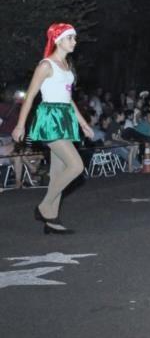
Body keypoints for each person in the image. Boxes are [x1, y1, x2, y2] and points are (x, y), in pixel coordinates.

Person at [12, 23, 94, 234]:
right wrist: (21, 125)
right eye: (71, 38)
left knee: (58, 171)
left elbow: (68, 99)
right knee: (76, 166)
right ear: (58, 40)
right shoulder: (46, 65)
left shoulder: (66, 65)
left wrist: (83, 123)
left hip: (65, 116)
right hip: (49, 118)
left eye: (74, 38)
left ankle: (51, 221)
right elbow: (30, 96)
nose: (74, 42)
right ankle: (44, 206)